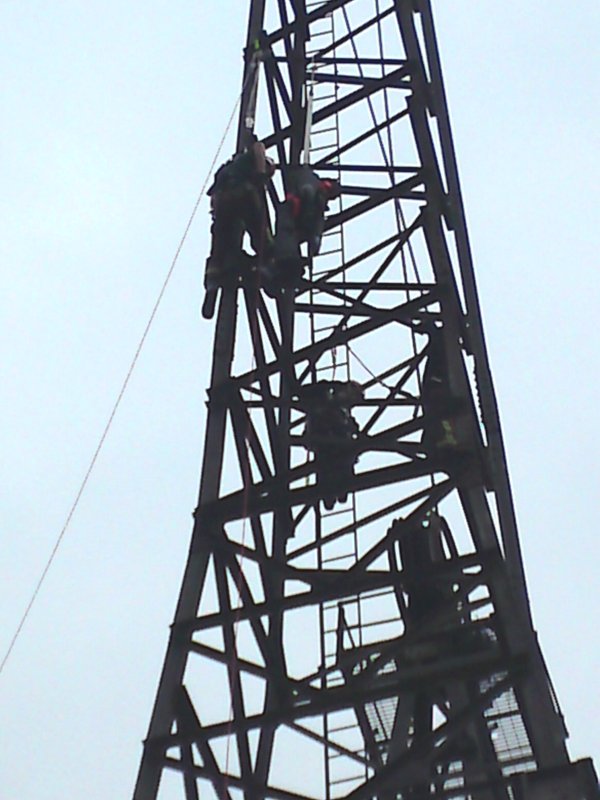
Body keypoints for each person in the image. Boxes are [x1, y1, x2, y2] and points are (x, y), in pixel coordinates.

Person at [202, 137, 274, 318]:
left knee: (220, 248)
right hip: (243, 196)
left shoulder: (226, 169)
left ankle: (212, 285)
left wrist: (216, 214)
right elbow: (259, 148)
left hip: (223, 205)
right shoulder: (252, 157)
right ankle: (267, 267)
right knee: (261, 235)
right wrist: (260, 174)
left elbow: (213, 195)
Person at [296, 380, 363, 509]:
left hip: (333, 452)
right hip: (329, 449)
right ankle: (332, 495)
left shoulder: (340, 410)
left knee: (338, 490)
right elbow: (301, 392)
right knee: (333, 491)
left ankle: (334, 494)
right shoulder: (325, 399)